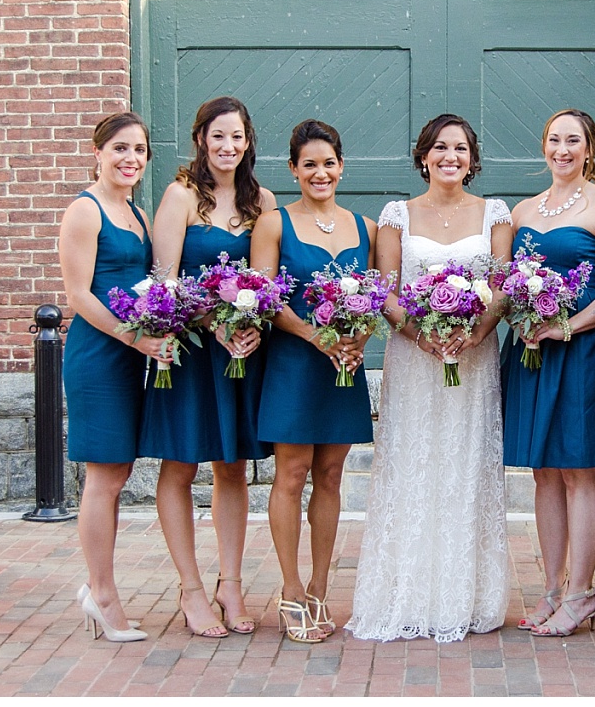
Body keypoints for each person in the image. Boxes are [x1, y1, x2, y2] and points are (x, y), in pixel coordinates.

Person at [346, 114, 512, 642]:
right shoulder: (397, 215)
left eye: (460, 149)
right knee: (413, 466)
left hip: (474, 357)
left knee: (465, 468)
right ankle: (409, 591)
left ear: (472, 158)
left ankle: (464, 595)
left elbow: (502, 288)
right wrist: (423, 335)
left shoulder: (496, 215)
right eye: (440, 147)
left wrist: (473, 333)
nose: (450, 157)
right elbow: (388, 290)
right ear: (423, 156)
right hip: (415, 360)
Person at [139, 96, 276, 638]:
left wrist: (249, 325)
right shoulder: (179, 197)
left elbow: (268, 280)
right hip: (191, 353)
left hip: (238, 354)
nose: (228, 146)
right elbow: (164, 280)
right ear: (201, 138)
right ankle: (191, 589)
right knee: (179, 465)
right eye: (218, 136)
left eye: (237, 137)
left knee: (232, 467)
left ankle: (232, 584)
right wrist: (210, 322)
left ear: (248, 142)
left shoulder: (261, 200)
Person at [501, 109, 595, 637]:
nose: (562, 149)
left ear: (589, 148)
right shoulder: (523, 209)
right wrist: (523, 317)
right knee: (543, 472)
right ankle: (553, 588)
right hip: (533, 350)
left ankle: (581, 593)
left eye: (573, 141)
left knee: (578, 470)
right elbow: (508, 281)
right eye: (554, 139)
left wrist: (566, 327)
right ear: (543, 146)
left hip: (581, 353)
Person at [250, 119, 378, 643]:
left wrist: (357, 341)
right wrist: (314, 336)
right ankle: (289, 588)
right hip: (294, 363)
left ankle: (321, 588)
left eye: (328, 163)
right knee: (292, 472)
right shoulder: (274, 225)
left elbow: (374, 296)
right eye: (310, 165)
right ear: (294, 171)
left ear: (341, 167)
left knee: (330, 476)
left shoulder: (364, 227)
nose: (320, 173)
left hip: (343, 367)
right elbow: (265, 298)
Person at [59, 111, 161, 642]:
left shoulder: (136, 214)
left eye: (139, 150)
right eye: (120, 148)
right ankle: (101, 595)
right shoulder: (86, 209)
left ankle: (100, 590)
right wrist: (135, 337)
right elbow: (80, 296)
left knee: (118, 476)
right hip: (99, 357)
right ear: (98, 153)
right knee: (103, 479)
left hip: (131, 356)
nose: (130, 159)